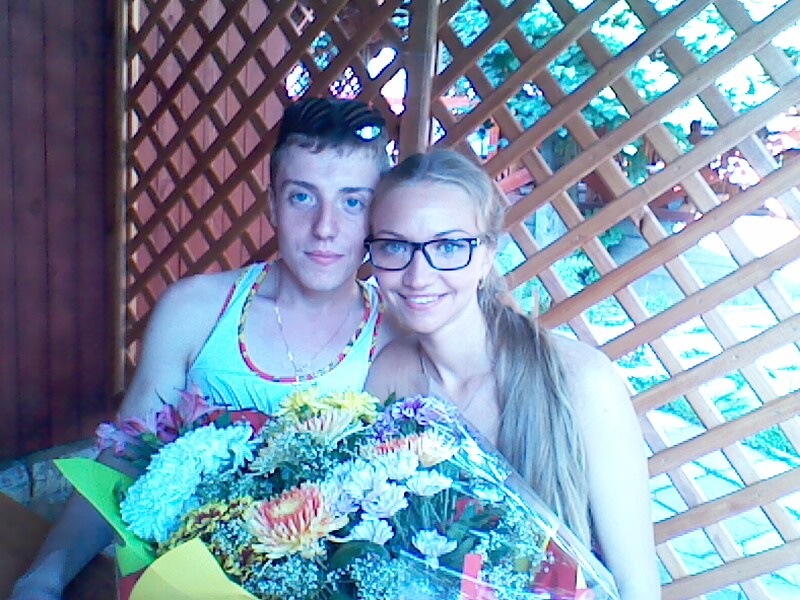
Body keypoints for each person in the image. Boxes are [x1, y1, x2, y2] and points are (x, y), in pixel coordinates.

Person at [11, 97, 396, 599]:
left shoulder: (391, 339)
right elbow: (122, 463)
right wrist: (45, 576)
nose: (325, 227)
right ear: (272, 205)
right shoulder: (195, 311)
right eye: (302, 197)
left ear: (377, 216)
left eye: (352, 202)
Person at [364, 149, 661, 600]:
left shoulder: (581, 382)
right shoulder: (389, 376)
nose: (417, 275)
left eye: (448, 247)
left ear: (486, 255)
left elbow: (637, 586)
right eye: (394, 246)